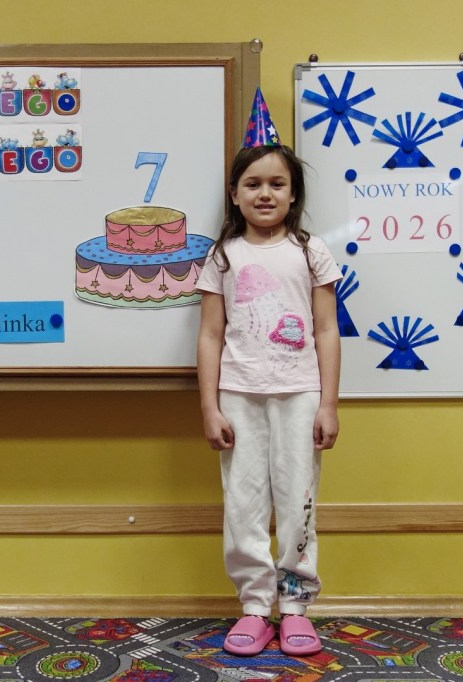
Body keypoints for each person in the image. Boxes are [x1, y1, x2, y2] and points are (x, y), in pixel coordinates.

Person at [196, 89, 341, 658]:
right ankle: (256, 607)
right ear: (234, 193)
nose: (265, 193)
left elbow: (326, 330)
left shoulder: (311, 251)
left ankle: (295, 606)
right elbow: (210, 336)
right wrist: (209, 407)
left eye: (277, 183)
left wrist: (328, 403)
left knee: (299, 499)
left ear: (293, 192)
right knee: (244, 503)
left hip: (300, 394)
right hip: (239, 395)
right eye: (252, 183)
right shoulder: (223, 255)